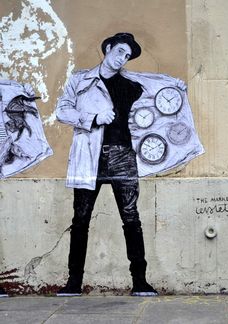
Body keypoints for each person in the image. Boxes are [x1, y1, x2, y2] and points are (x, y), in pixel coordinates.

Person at [56, 32, 186, 297]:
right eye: (119, 52)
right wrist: (93, 117)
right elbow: (62, 110)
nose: (122, 59)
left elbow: (161, 91)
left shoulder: (132, 83)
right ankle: (73, 283)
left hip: (123, 157)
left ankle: (140, 281)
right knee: (80, 220)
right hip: (89, 156)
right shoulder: (81, 79)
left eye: (127, 56)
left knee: (131, 219)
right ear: (108, 48)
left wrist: (176, 84)